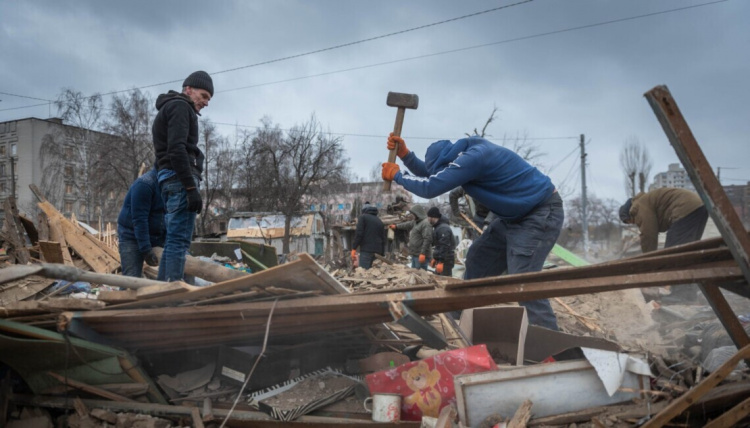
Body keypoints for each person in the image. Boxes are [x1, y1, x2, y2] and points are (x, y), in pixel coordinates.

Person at [382, 134, 563, 330]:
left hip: (539, 212)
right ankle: (458, 322)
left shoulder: (475, 158)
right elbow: (433, 174)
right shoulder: (461, 156)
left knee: (522, 278)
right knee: (477, 259)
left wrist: (398, 176)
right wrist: (406, 155)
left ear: (449, 162)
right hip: (513, 217)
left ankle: (550, 344)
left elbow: (431, 186)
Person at [152, 70, 213, 282]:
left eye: (208, 99)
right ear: (188, 89)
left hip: (170, 179)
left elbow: (166, 152)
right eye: (203, 96)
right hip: (179, 180)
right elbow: (176, 148)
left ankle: (162, 293)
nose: (206, 102)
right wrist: (190, 188)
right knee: (178, 243)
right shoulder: (180, 106)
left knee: (172, 242)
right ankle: (173, 300)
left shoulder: (170, 107)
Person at [619, 187, 708, 302]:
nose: (635, 223)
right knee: (688, 253)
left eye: (631, 221)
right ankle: (689, 293)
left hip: (684, 209)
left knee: (673, 253)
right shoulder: (647, 200)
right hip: (699, 208)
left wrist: (649, 262)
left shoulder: (638, 207)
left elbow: (649, 236)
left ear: (629, 214)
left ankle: (681, 294)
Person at [116, 168, 165, 278]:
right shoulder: (145, 184)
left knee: (179, 273)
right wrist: (146, 250)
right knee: (131, 279)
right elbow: (139, 220)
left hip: (156, 235)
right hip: (131, 235)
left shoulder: (171, 185)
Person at [389, 204, 433, 270]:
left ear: (418, 213)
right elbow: (407, 224)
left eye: (413, 214)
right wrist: (396, 226)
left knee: (420, 275)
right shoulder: (416, 222)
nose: (412, 215)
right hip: (415, 254)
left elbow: (427, 239)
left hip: (421, 255)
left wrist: (423, 253)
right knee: (413, 273)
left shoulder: (425, 224)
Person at [351, 202, 386, 269]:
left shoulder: (363, 217)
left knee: (364, 273)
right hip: (378, 252)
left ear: (364, 211)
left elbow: (359, 234)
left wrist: (354, 248)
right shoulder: (379, 221)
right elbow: (383, 239)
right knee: (374, 273)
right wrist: (382, 254)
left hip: (366, 251)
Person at [427, 206, 456, 277]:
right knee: (439, 280)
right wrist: (435, 258)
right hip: (443, 259)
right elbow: (438, 246)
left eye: (428, 217)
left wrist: (441, 261)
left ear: (433, 217)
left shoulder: (443, 228)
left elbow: (444, 246)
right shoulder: (438, 227)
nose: (428, 219)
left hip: (446, 260)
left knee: (445, 281)